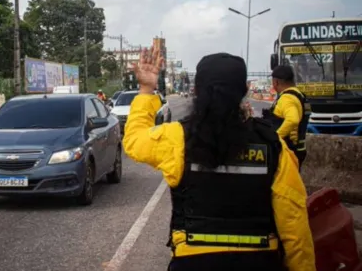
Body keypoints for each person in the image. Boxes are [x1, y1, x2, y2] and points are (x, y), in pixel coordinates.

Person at [123, 47, 315, 271]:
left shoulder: (177, 138)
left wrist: (146, 90)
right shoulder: (274, 146)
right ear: (245, 90)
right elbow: (295, 227)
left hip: (192, 262)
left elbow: (134, 141)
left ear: (196, 90)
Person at [262, 65, 311, 169]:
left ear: (276, 82)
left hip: (288, 150)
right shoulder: (300, 96)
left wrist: (275, 138)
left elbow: (292, 120)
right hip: (297, 149)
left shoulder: (287, 98)